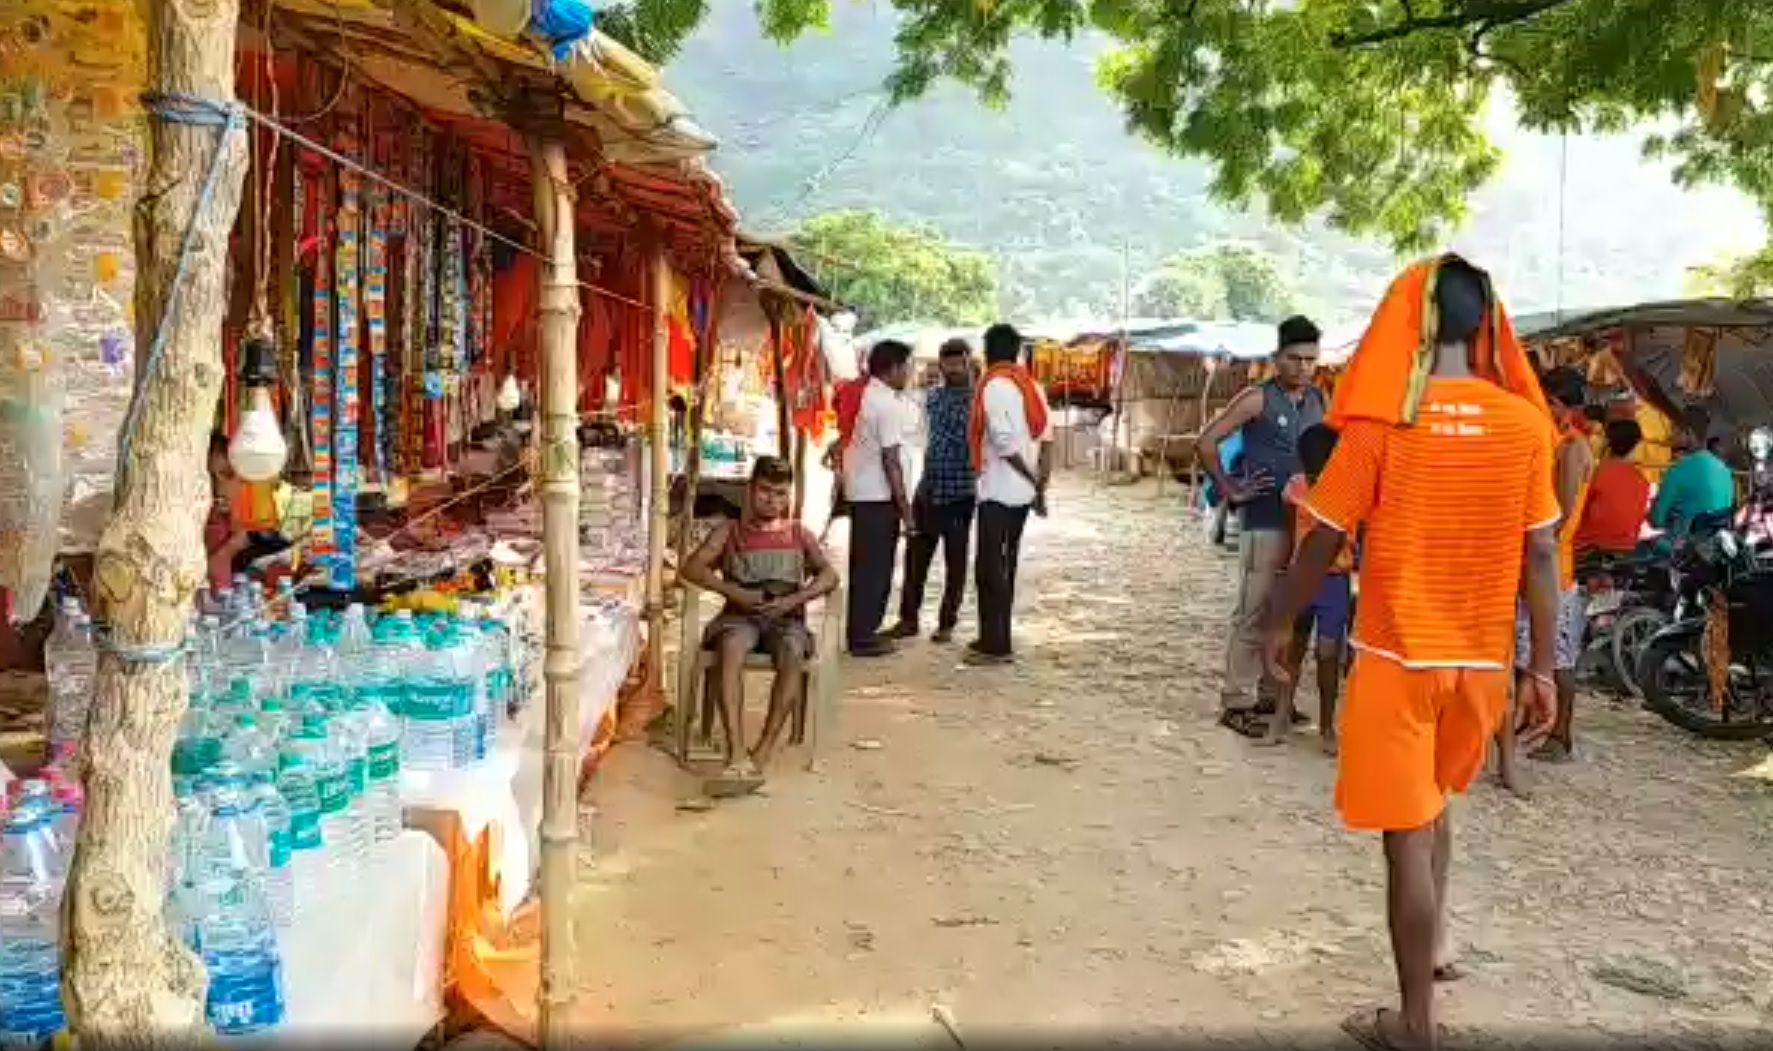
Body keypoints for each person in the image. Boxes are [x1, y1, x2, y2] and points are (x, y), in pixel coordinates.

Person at [1259, 254, 1559, 1051]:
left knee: (1406, 843)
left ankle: (1413, 1023)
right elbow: (1539, 554)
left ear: (1415, 323)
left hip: (1395, 660)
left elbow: (1323, 538)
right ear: (1486, 323)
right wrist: (1540, 669)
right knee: (1433, 812)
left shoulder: (1382, 423)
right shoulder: (1527, 425)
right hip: (1480, 665)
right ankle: (1436, 956)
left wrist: (1277, 626)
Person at [1197, 315, 1327, 737]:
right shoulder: (1258, 398)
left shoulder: (1319, 401)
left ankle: (1275, 697)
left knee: (1288, 611)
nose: (1304, 367)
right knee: (1253, 610)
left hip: (1305, 525)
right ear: (1277, 357)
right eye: (1295, 358)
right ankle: (1236, 700)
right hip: (1264, 519)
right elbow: (1207, 441)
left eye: (1310, 359)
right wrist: (1230, 488)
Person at [679, 456, 840, 795]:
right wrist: (731, 590)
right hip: (739, 616)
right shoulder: (730, 531)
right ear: (751, 491)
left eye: (780, 494)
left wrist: (794, 601)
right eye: (765, 491)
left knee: (794, 650)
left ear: (788, 495)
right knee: (732, 646)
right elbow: (691, 568)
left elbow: (829, 575)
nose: (772, 500)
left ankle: (763, 751)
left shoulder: (799, 533)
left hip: (786, 617)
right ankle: (736, 753)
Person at [1501, 367, 1592, 771]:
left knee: (1557, 657)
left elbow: (1560, 512)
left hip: (1556, 566)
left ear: (1559, 404)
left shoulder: (1573, 448)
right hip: (1550, 562)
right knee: (1545, 652)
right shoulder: (1564, 443)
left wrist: (1536, 544)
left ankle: (1560, 735)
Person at [1261, 423, 1353, 755]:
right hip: (1301, 579)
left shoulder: (1350, 494)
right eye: (1312, 475)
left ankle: (1327, 726)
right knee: (1292, 651)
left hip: (1335, 583)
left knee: (1328, 655)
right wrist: (1283, 575)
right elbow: (1289, 535)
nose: (1316, 482)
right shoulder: (1295, 489)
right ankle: (1281, 717)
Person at [967, 323, 1052, 666]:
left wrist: (1032, 478)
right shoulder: (1032, 386)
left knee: (990, 568)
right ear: (1017, 351)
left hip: (999, 490)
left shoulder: (994, 385)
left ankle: (996, 644)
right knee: (1005, 565)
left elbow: (1002, 443)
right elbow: (1046, 441)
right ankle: (994, 635)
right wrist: (1040, 486)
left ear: (988, 352)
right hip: (1022, 493)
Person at [887, 338, 976, 643]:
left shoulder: (978, 400)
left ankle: (946, 624)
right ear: (941, 364)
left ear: (968, 362)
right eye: (947, 363)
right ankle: (908, 620)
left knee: (955, 564)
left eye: (958, 362)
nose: (952, 368)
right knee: (915, 560)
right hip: (929, 488)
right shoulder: (932, 397)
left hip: (960, 492)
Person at [843, 340, 916, 657]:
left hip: (866, 494)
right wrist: (906, 510)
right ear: (895, 368)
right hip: (877, 497)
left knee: (867, 567)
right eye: (907, 366)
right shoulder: (884, 404)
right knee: (874, 569)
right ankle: (862, 636)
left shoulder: (870, 396)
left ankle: (862, 631)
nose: (910, 373)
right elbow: (891, 460)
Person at [1647, 408, 1735, 547]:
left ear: (1689, 433)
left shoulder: (1678, 470)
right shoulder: (1725, 469)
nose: (1672, 434)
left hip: (1685, 549)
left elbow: (1657, 520)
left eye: (1675, 430)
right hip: (1717, 545)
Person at [1574, 419, 1652, 558]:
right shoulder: (1642, 480)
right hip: (1626, 549)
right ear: (1637, 445)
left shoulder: (1597, 473)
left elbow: (1577, 511)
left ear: (1607, 443)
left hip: (1588, 548)